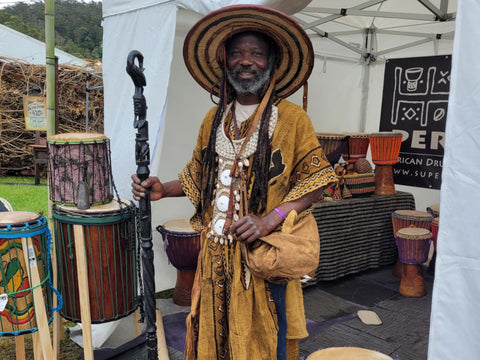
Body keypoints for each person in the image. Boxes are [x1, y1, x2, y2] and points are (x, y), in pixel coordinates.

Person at [132, 5, 337, 360]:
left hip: (261, 256)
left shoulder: (291, 119)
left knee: (265, 339)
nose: (246, 62)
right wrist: (163, 189)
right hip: (214, 256)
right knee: (216, 337)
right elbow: (197, 176)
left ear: (271, 62)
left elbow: (317, 181)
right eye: (237, 53)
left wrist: (270, 218)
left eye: (256, 54)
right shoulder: (214, 118)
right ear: (225, 62)